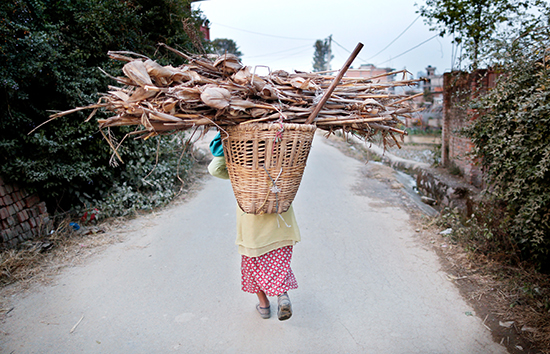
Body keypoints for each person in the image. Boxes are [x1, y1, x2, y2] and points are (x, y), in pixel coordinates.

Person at [207, 132, 300, 321]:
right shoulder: (284, 148)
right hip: (280, 216)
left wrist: (234, 171)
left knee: (253, 264)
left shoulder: (242, 158)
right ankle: (282, 295)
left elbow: (215, 168)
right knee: (279, 261)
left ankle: (264, 305)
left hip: (251, 220)